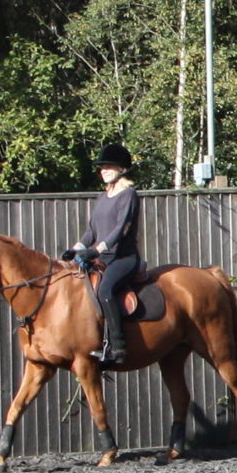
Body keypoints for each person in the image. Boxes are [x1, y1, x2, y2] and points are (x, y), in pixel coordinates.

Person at [63, 144, 143, 364]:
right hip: (100, 258)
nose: (103, 170)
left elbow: (121, 229)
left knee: (105, 290)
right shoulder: (102, 197)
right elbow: (92, 231)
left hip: (123, 259)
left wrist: (95, 250)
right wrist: (76, 248)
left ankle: (118, 347)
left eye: (108, 166)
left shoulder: (129, 195)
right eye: (102, 167)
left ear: (122, 169)